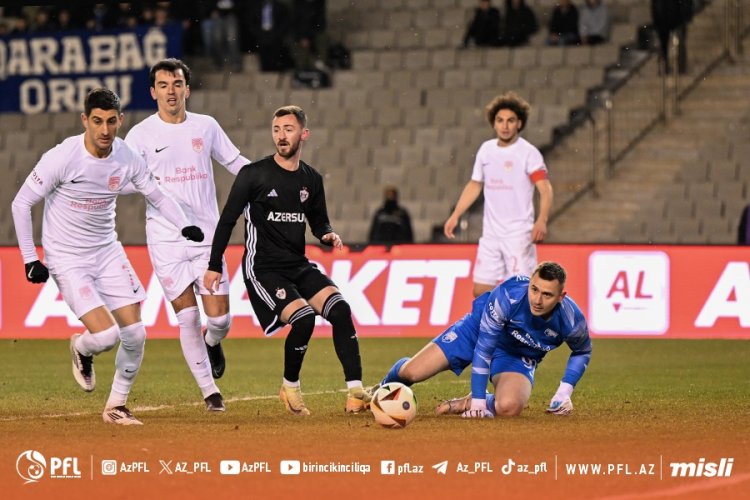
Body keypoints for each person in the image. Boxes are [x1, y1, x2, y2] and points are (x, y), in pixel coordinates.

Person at [11, 88, 205, 426]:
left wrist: (184, 224)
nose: (104, 130)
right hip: (67, 257)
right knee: (105, 337)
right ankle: (82, 349)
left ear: (120, 120)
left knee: (136, 335)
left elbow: (156, 194)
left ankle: (116, 406)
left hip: (107, 251)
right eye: (97, 121)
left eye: (111, 121)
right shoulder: (63, 156)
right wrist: (30, 258)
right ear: (85, 120)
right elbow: (21, 203)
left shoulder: (127, 156)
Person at [203, 105, 368, 416]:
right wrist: (213, 265)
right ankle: (290, 387)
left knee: (341, 311)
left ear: (303, 134)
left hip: (298, 265)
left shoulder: (312, 179)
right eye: (277, 129)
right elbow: (227, 220)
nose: (281, 136)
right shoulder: (253, 175)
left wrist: (328, 234)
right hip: (262, 268)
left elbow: (319, 222)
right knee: (304, 318)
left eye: (288, 129)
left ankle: (356, 391)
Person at [124, 58, 251, 412]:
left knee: (220, 319)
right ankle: (211, 393)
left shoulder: (206, 127)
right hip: (164, 239)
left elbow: (235, 162)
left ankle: (213, 341)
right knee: (187, 317)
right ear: (153, 92)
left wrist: (268, 178)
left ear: (187, 90)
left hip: (208, 236)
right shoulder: (140, 136)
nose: (170, 91)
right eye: (163, 85)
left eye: (177, 84)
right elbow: (122, 177)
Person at [432, 261, 591, 418]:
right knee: (410, 373)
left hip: (514, 353)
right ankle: (406, 376)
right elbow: (484, 348)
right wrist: (478, 404)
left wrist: (564, 392)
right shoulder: (509, 294)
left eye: (547, 294)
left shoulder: (571, 319)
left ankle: (468, 401)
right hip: (478, 330)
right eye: (534, 289)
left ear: (561, 296)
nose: (537, 300)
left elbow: (582, 351)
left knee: (509, 406)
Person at [444, 91, 553, 298]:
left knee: (523, 293)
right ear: (493, 124)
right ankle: (489, 331)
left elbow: (545, 189)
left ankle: (526, 331)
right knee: (480, 292)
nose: (505, 126)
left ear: (519, 124)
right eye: (500, 120)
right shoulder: (486, 150)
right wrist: (455, 215)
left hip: (519, 235)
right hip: (491, 235)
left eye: (510, 121)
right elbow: (475, 185)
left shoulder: (528, 153)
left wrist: (542, 220)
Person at [651, 0, 693, 74]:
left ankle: (677, 67)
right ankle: (665, 65)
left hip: (676, 15)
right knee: (664, 42)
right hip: (665, 16)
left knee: (678, 42)